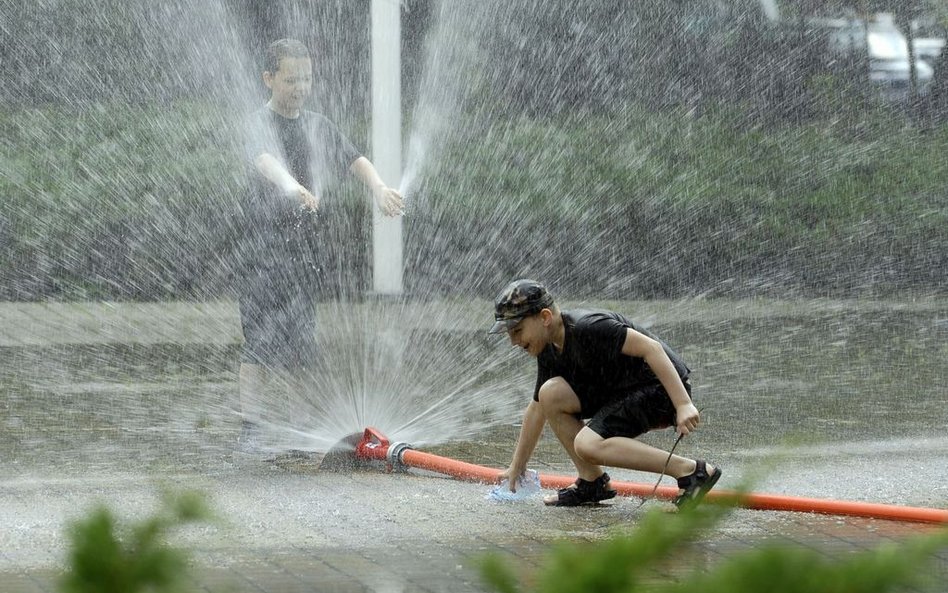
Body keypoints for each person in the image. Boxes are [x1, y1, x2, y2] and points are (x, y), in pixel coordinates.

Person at [235, 38, 403, 452]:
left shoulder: (318, 124)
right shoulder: (256, 123)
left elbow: (355, 159)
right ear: (268, 79)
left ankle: (298, 428)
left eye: (306, 78)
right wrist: (293, 188)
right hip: (260, 253)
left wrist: (379, 188)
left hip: (303, 256)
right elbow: (266, 162)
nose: (301, 86)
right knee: (258, 343)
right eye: (291, 79)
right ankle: (251, 430)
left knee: (300, 344)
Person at [490, 279, 721, 507]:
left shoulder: (589, 327)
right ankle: (592, 483)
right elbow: (537, 407)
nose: (513, 341)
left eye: (517, 330)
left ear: (545, 318)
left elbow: (652, 348)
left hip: (660, 390)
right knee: (549, 393)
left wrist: (682, 404)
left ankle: (693, 471)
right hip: (623, 391)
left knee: (587, 445)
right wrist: (517, 466)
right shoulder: (549, 347)